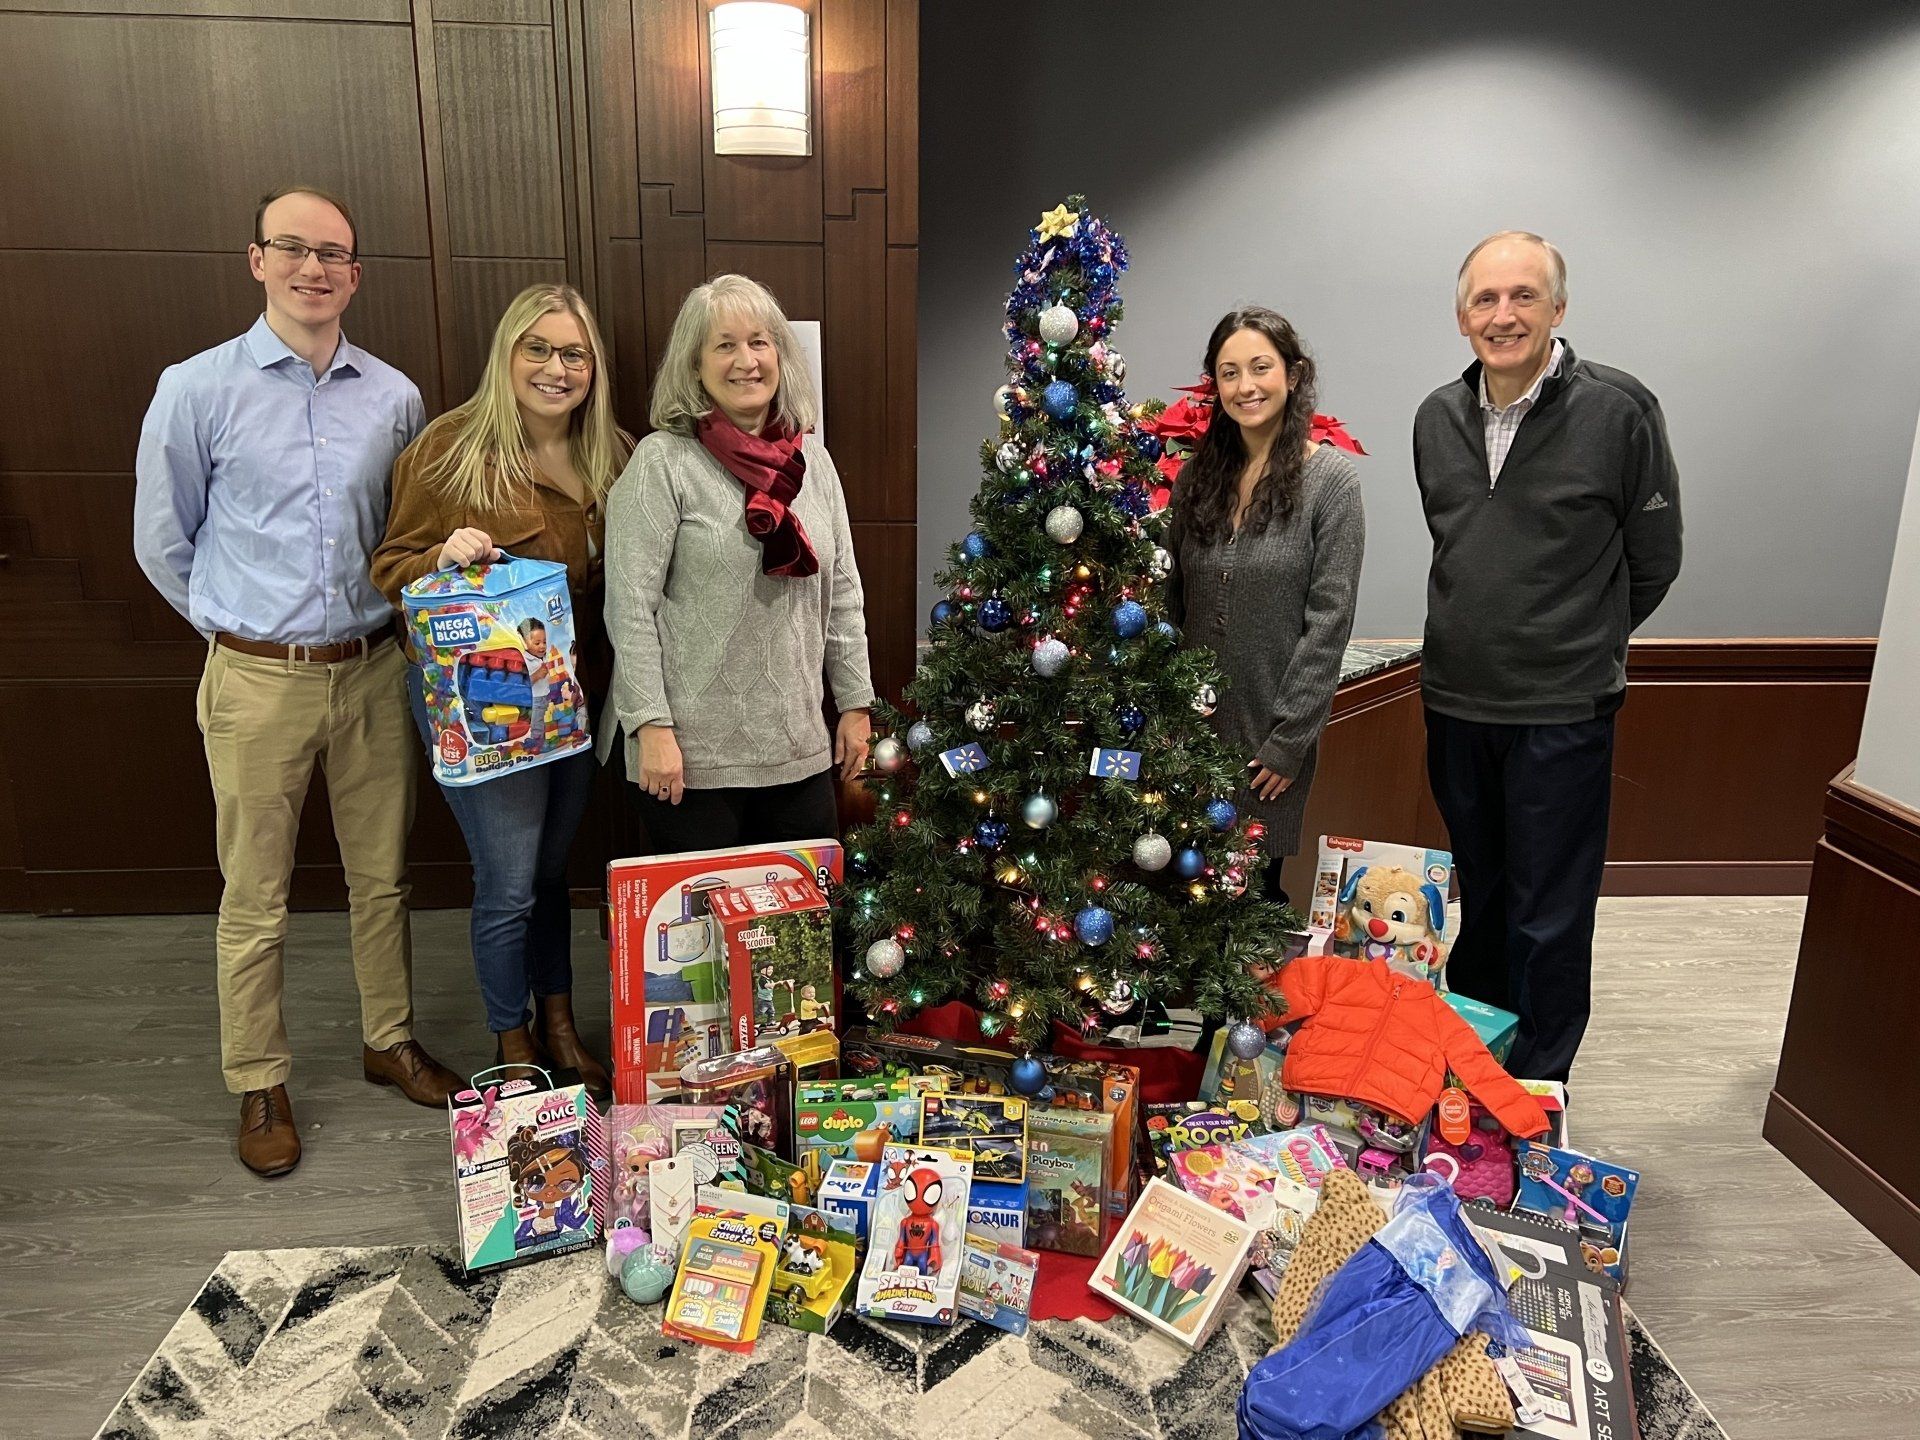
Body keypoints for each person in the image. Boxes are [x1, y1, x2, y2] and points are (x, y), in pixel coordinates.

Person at [133, 185, 461, 1178]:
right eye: (294, 249)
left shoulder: (395, 397)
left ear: (354, 274)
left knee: (382, 880)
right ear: (257, 260)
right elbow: (162, 540)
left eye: (333, 254)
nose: (314, 268)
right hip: (255, 681)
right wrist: (240, 630)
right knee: (255, 894)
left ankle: (387, 1037)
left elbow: (401, 539)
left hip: (371, 670)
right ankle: (259, 1079)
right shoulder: (195, 389)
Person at [1415, 230, 1682, 1083]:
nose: (1505, 315)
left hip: (1563, 714)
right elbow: (1458, 549)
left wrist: (1577, 639)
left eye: (1524, 296)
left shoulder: (1618, 411)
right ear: (1463, 318)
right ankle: (1474, 1073)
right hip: (1456, 705)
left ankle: (1537, 1094)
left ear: (1558, 308)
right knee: (1483, 906)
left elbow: (1655, 558)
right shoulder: (1436, 418)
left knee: (1549, 918)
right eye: (1486, 300)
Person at [372, 283, 630, 1100]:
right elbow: (389, 570)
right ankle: (512, 1039)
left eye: (574, 354)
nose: (558, 369)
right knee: (510, 883)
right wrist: (443, 555)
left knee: (555, 873)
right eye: (540, 350)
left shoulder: (614, 454)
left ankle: (561, 1024)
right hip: (486, 708)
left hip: (574, 701)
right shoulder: (448, 450)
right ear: (508, 356)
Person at [605, 274, 875, 850]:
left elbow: (844, 596)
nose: (746, 360)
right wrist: (650, 726)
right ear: (694, 364)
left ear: (780, 354)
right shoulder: (663, 463)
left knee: (796, 936)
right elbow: (629, 609)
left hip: (798, 748)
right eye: (724, 345)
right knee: (701, 939)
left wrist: (854, 703)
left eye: (760, 341)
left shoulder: (814, 463)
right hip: (687, 761)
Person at [1167, 306, 1366, 906]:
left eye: (1260, 367)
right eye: (1229, 372)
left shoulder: (1331, 483)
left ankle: (1246, 1007)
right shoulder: (1195, 479)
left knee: (1251, 899)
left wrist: (1289, 740)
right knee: (1180, 896)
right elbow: (1167, 598)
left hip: (1268, 741)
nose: (1245, 386)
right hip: (1188, 734)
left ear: (1294, 374)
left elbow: (1329, 623)